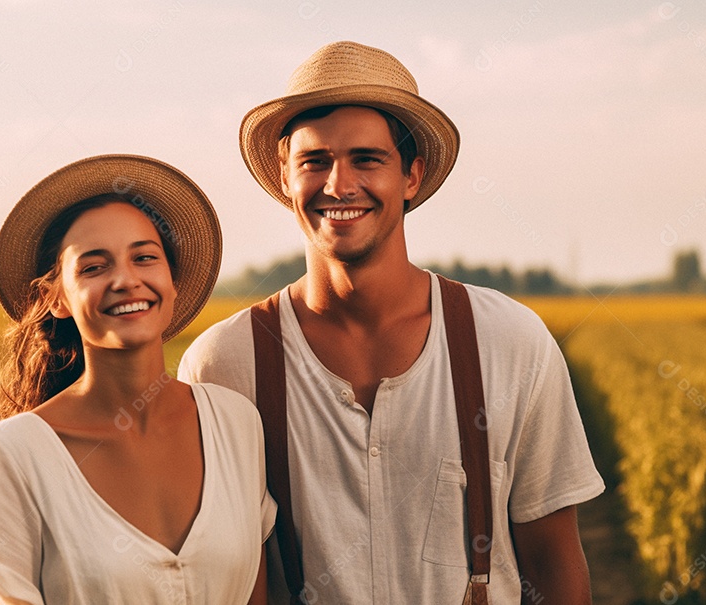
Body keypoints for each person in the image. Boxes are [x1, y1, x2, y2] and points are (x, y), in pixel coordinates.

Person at [178, 41, 605, 604]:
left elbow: (552, 558)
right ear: (285, 177)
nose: (338, 185)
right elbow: (221, 577)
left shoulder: (511, 342)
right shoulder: (223, 364)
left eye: (367, 159)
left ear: (411, 175)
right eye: (314, 161)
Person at [0, 155, 276, 604]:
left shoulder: (235, 423)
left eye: (145, 258)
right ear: (55, 299)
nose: (126, 280)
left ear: (172, 280)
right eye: (94, 267)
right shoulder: (9, 457)